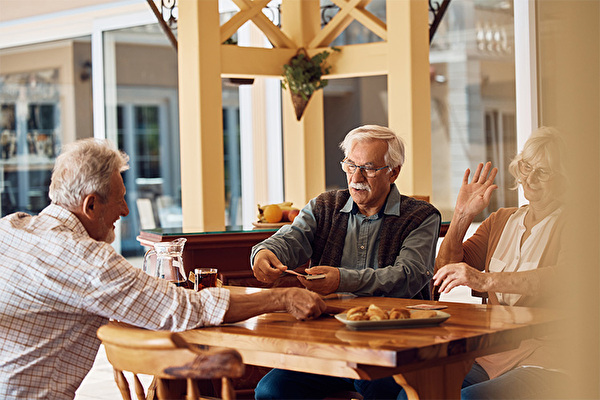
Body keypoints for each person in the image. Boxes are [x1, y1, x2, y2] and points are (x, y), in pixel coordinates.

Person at [0, 138, 326, 400]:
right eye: (119, 199)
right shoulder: (87, 260)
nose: (126, 210)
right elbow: (183, 309)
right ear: (91, 205)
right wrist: (282, 298)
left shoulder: (10, 228)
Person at [369, 127, 569, 400]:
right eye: (526, 166)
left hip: (551, 358)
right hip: (491, 354)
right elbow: (444, 267)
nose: (530, 178)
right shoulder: (501, 220)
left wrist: (485, 280)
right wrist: (462, 214)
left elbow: (564, 277)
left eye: (543, 172)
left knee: (470, 399)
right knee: (414, 395)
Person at [252, 125, 441, 399]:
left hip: (394, 349)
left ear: (394, 172)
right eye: (350, 165)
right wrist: (264, 253)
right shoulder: (324, 206)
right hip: (328, 345)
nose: (356, 177)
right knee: (271, 391)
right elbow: (288, 239)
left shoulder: (421, 216)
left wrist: (342, 279)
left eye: (369, 168)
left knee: (382, 390)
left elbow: (408, 277)